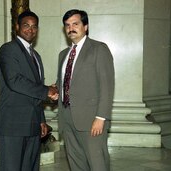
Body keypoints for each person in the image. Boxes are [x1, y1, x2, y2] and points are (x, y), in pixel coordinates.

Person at [0, 11, 58, 171]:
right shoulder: (8, 50)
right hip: (13, 124)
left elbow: (34, 90)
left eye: (34, 27)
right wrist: (47, 91)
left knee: (30, 168)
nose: (30, 30)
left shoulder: (35, 55)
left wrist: (41, 119)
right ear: (17, 27)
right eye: (26, 25)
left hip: (33, 124)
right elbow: (14, 81)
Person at [56, 9, 115, 171]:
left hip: (91, 120)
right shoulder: (63, 55)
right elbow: (64, 83)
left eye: (75, 24)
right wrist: (54, 92)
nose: (71, 28)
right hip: (67, 118)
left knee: (97, 164)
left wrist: (101, 117)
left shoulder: (98, 49)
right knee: (76, 164)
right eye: (67, 25)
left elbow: (107, 86)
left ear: (86, 26)